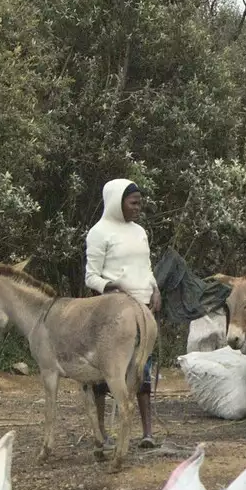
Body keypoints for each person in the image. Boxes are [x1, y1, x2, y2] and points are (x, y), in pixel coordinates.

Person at [85, 178, 162, 449]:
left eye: (140, 203)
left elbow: (146, 266)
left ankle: (147, 434)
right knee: (106, 374)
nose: (138, 207)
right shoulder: (99, 233)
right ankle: (101, 433)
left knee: (143, 370)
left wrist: (155, 289)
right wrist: (113, 286)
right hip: (112, 313)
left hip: (143, 310)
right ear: (118, 202)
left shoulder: (140, 231)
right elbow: (91, 276)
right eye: (134, 203)